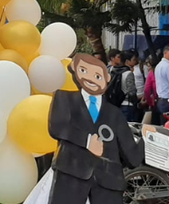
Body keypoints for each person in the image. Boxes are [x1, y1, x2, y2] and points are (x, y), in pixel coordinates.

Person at [47, 53, 154, 204]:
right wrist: (87, 141)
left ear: (107, 79)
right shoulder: (65, 98)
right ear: (74, 71)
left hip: (108, 179)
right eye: (83, 71)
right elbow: (58, 126)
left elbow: (133, 158)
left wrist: (147, 139)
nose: (90, 79)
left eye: (98, 76)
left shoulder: (114, 114)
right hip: (71, 172)